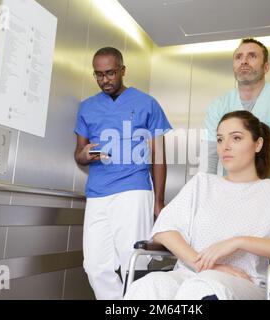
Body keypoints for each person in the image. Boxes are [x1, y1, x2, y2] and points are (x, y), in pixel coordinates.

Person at [124, 111, 270, 300]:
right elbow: (164, 229)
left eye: (236, 138)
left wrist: (240, 242)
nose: (225, 146)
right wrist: (205, 265)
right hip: (190, 275)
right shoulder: (202, 184)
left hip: (247, 284)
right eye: (220, 139)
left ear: (258, 144)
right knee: (149, 286)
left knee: (203, 287)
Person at [74, 47, 172, 300]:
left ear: (122, 71)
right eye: (98, 75)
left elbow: (158, 156)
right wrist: (84, 155)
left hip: (134, 189)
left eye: (110, 73)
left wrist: (158, 201)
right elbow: (78, 154)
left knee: (134, 262)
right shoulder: (87, 107)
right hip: (97, 193)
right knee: (95, 267)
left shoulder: (147, 103)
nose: (104, 80)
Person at [202, 38, 270, 195]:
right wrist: (206, 194)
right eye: (238, 57)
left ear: (266, 66)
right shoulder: (218, 105)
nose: (244, 61)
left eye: (252, 56)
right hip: (229, 193)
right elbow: (209, 157)